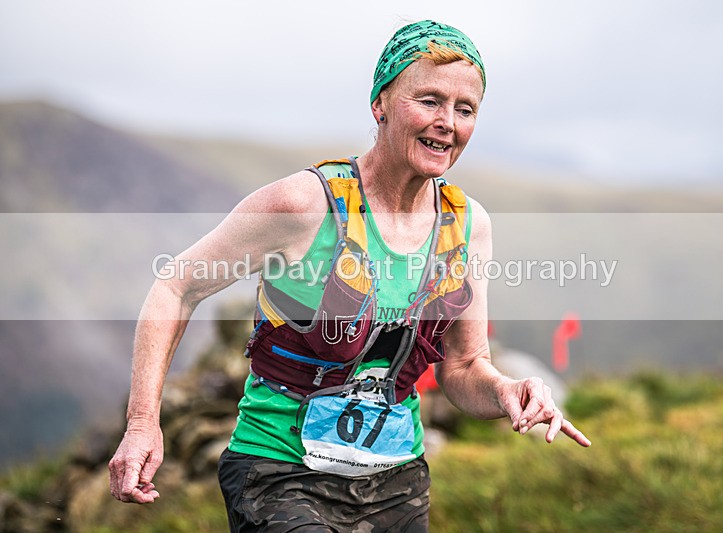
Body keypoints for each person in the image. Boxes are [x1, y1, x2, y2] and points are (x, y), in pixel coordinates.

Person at [108, 19, 591, 532]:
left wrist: (506, 391)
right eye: (429, 101)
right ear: (380, 103)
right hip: (278, 473)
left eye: (465, 109)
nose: (447, 122)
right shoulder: (303, 206)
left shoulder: (468, 226)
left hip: (397, 484)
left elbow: (465, 366)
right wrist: (142, 422)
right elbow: (177, 286)